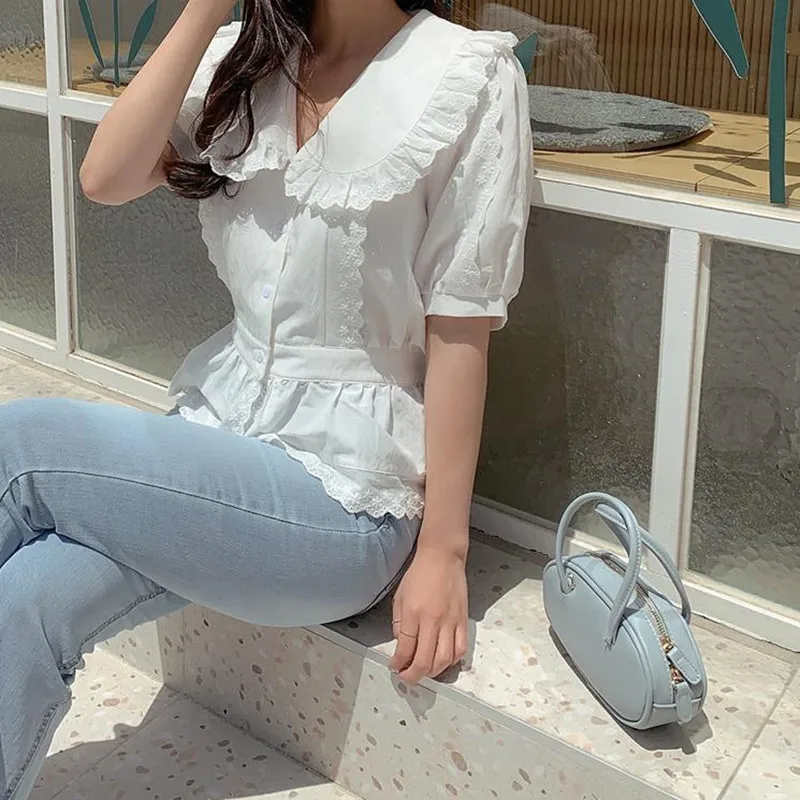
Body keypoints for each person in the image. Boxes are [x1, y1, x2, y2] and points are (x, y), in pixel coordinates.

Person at [0, 1, 531, 797]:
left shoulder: (468, 74)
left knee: (23, 448)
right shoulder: (244, 62)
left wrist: (443, 552)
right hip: (220, 442)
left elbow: (461, 329)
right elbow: (104, 177)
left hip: (345, 499)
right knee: (27, 598)